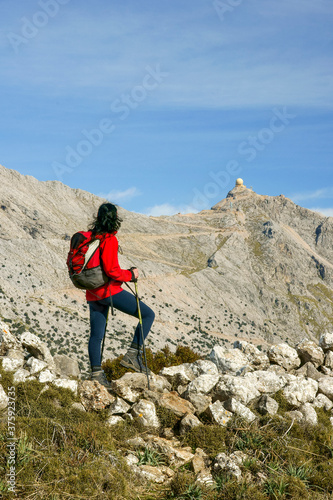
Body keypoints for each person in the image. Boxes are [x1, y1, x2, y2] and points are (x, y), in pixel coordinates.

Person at [82, 202, 155, 388]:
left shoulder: (90, 238)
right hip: (109, 292)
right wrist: (131, 275)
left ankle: (96, 375)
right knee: (147, 315)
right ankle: (132, 356)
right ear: (115, 219)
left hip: (92, 292)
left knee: (96, 336)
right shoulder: (109, 240)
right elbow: (112, 270)